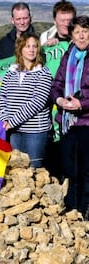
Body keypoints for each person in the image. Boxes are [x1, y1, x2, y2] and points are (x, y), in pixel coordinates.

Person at [51, 16, 89, 217]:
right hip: (68, 122)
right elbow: (57, 83)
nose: (81, 36)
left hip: (86, 122)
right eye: (77, 32)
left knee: (86, 170)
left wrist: (81, 104)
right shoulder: (68, 55)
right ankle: (71, 206)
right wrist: (59, 101)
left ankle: (84, 209)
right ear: (71, 36)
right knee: (69, 168)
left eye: (85, 31)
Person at [0, 32, 52, 168]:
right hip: (14, 132)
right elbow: (2, 96)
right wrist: (4, 118)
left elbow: (37, 102)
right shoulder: (11, 71)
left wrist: (13, 121)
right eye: (28, 46)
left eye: (34, 46)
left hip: (35, 132)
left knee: (34, 169)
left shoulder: (43, 73)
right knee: (17, 169)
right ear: (20, 48)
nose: (32, 50)